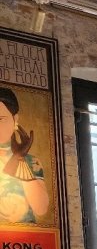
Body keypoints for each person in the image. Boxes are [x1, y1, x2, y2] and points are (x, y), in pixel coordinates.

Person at [0, 87, 50, 224]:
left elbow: (41, 208)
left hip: (24, 234)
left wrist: (19, 158)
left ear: (15, 119)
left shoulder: (30, 161)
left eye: (0, 119)